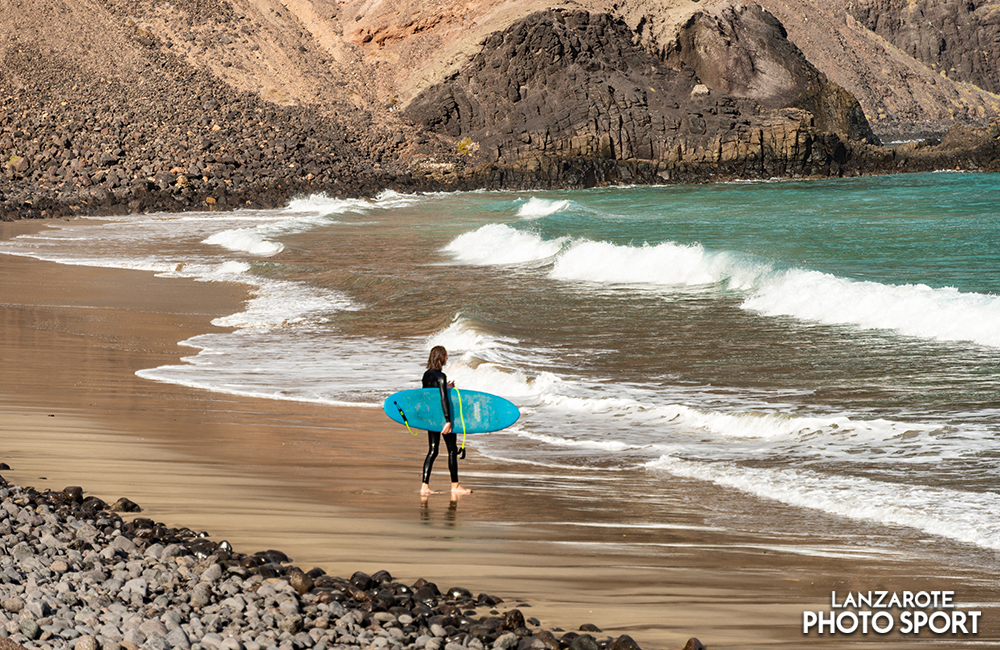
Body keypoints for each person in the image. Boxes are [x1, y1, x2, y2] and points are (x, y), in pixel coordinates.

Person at [420, 345, 472, 497]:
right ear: (440, 358)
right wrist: (448, 421)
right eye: (446, 356)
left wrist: (447, 387)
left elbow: (429, 396)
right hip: (443, 418)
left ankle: (424, 486)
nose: (447, 358)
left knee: (433, 450)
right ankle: (455, 486)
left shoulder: (426, 375)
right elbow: (443, 399)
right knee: (451, 450)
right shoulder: (441, 377)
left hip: (432, 418)